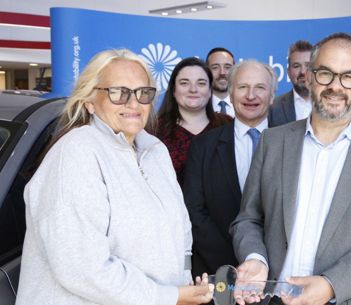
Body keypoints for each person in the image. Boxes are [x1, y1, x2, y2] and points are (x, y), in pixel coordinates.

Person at [16, 49, 213, 305]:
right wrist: (170, 296)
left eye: (143, 92)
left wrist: (184, 281)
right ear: (89, 101)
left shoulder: (155, 150)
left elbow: (182, 233)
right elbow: (81, 267)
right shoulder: (76, 152)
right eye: (118, 92)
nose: (133, 103)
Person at [230, 32, 351, 305]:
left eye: (348, 77)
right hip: (271, 298)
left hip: (346, 298)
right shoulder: (272, 141)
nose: (336, 86)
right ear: (310, 77)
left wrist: (331, 285)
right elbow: (248, 219)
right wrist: (256, 258)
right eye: (326, 73)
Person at [184, 59, 276, 277]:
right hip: (220, 274)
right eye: (243, 87)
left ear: (272, 96)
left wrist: (265, 263)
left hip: (279, 278)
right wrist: (238, 262)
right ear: (231, 93)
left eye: (260, 88)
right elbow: (194, 212)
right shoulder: (202, 147)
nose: (251, 95)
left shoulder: (294, 145)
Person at [155, 57, 232, 186]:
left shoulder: (228, 126)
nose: (193, 89)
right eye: (184, 83)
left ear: (209, 91)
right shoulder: (155, 130)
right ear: (173, 90)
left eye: (201, 83)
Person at [269, 40, 313, 127]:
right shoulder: (273, 107)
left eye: (308, 66)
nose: (303, 72)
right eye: (296, 66)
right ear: (288, 72)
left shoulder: (330, 104)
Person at [207, 47, 236, 117]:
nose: (222, 73)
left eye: (227, 67)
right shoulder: (198, 106)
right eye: (215, 67)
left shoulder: (247, 105)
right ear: (206, 71)